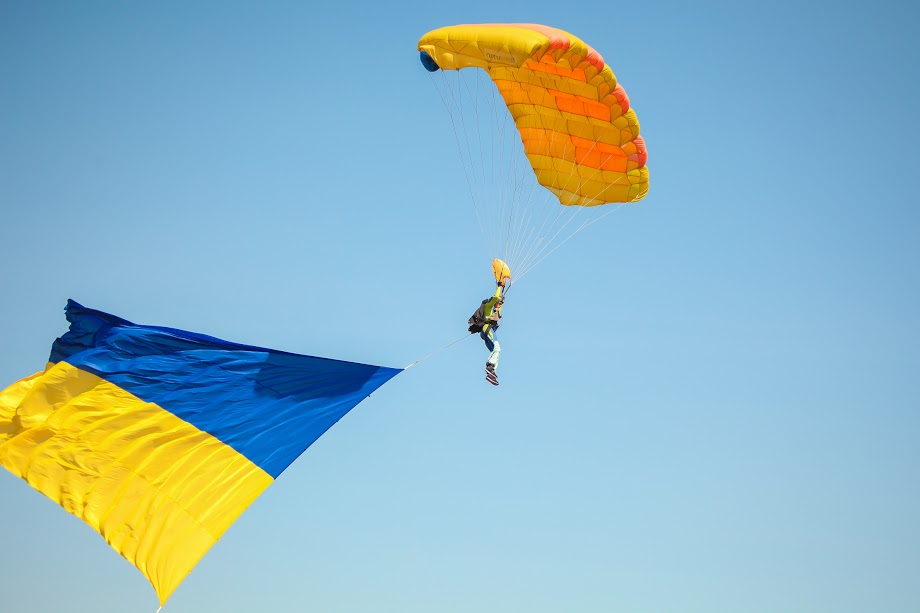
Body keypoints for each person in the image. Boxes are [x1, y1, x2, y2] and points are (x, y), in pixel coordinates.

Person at [468, 285, 504, 385]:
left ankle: (491, 373)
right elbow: (495, 298)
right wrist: (499, 286)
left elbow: (498, 307)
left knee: (496, 351)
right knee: (497, 349)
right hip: (486, 329)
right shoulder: (487, 307)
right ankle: (489, 366)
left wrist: (500, 304)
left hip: (488, 332)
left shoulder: (495, 312)